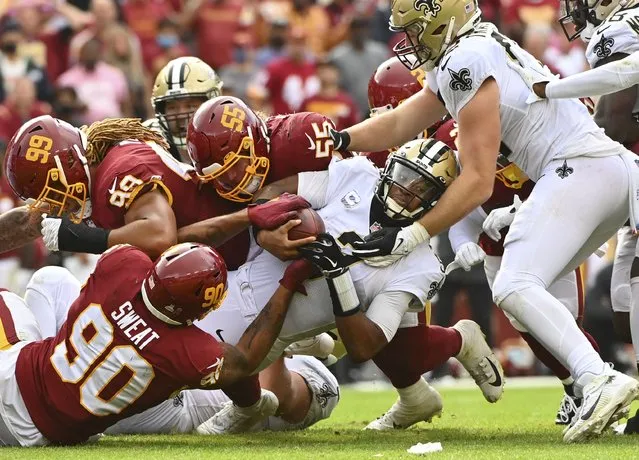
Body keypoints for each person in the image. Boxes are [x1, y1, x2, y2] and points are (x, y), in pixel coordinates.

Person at [327, 0, 639, 442]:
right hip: (605, 169)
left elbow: (475, 180)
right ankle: (586, 384)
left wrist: (415, 232)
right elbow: (401, 122)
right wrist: (337, 138)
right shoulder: (467, 52)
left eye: (415, 29)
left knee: (514, 284)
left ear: (440, 20)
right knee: (544, 298)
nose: (410, 40)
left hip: (580, 166)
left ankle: (597, 379)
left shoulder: (465, 59)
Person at [195, 140, 504, 433]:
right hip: (233, 281)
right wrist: (267, 233)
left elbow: (363, 346)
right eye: (403, 176)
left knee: (207, 370)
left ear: (436, 200)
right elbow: (274, 191)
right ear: (389, 169)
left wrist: (338, 274)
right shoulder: (357, 175)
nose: (404, 190)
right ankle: (254, 401)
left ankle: (252, 402)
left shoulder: (420, 265)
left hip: (274, 332)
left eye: (420, 187)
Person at [0, 242, 310, 446]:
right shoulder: (188, 351)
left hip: (10, 378)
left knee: (31, 286)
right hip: (42, 436)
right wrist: (287, 284)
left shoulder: (122, 264)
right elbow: (244, 363)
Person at [518, 0, 639, 434]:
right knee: (624, 300)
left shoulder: (622, 28)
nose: (578, 10)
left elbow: (613, 120)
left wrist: (555, 109)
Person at [148, 56, 223, 163]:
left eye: (191, 106)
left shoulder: (234, 136)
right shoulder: (150, 143)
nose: (181, 114)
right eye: (172, 107)